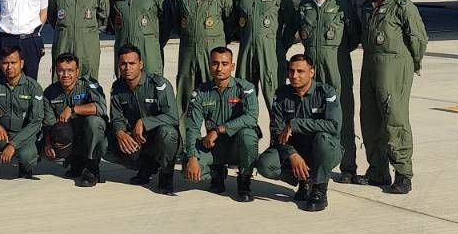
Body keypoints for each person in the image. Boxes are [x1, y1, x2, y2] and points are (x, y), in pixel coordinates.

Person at [359, 0, 427, 194]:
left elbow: (418, 38)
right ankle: (377, 171)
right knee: (370, 119)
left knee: (394, 119)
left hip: (394, 66)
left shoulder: (402, 6)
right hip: (370, 65)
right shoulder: (367, 7)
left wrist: (412, 63)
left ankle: (403, 173)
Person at [296, 0, 363, 183]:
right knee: (311, 115)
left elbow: (354, 37)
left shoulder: (343, 4)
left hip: (337, 68)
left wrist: (336, 54)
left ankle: (348, 166)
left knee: (341, 116)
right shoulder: (305, 6)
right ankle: (315, 163)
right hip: (312, 71)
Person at [255, 55, 341, 212]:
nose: (294, 76)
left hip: (324, 149)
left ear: (312, 72)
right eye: (291, 71)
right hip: (296, 149)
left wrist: (296, 124)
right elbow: (276, 132)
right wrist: (292, 154)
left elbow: (334, 126)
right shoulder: (282, 94)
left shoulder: (325, 92)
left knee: (323, 138)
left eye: (300, 71)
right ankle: (305, 180)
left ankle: (320, 190)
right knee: (265, 164)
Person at [166, 0, 232, 146]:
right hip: (188, 53)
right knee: (185, 97)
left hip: (211, 54)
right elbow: (177, 21)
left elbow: (229, 23)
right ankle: (185, 144)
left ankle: (217, 143)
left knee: (213, 97)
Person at [183, 47, 259, 203]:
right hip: (214, 147)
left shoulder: (245, 89)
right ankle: (216, 172)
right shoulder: (201, 93)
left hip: (238, 145)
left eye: (224, 64)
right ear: (209, 65)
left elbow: (251, 117)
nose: (219, 68)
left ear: (232, 66)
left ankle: (244, 180)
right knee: (187, 168)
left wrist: (219, 130)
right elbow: (192, 127)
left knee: (249, 136)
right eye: (215, 63)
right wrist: (192, 156)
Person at [105, 44, 179, 195]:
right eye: (123, 64)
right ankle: (145, 167)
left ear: (141, 64)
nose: (127, 68)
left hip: (159, 138)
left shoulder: (159, 84)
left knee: (167, 133)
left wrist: (144, 122)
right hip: (137, 140)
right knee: (103, 138)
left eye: (132, 63)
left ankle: (166, 174)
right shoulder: (118, 87)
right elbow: (117, 117)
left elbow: (172, 117)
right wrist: (120, 133)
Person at [231, 0, 299, 104]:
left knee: (275, 97)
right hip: (246, 53)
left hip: (272, 53)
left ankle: (279, 127)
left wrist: (281, 45)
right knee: (243, 97)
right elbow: (234, 21)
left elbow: (292, 22)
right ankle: (247, 128)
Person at [0, 47, 46, 182]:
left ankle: (24, 166)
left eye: (13, 63)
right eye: (5, 63)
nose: (9, 67)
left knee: (27, 157)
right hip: (1, 133)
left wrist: (13, 144)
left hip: (23, 134)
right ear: (0, 64)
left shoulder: (33, 87)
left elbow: (36, 121)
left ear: (22, 63)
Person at [41, 53, 108, 188]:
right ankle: (75, 161)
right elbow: (48, 123)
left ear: (77, 71)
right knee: (57, 131)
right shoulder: (50, 92)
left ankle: (92, 167)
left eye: (70, 70)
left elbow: (101, 108)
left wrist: (73, 109)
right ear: (56, 71)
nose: (65, 74)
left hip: (91, 136)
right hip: (70, 137)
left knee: (94, 122)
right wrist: (48, 144)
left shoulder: (88, 85)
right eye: (61, 70)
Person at [108, 0, 168, 93]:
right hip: (124, 50)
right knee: (125, 90)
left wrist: (154, 43)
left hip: (149, 52)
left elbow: (167, 23)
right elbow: (111, 19)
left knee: (153, 88)